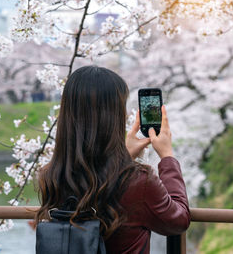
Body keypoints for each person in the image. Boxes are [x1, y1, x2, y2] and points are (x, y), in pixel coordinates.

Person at [35, 66, 190, 254]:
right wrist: (167, 157)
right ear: (114, 115)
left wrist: (124, 154)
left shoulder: (52, 176)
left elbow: (96, 181)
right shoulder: (138, 181)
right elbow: (178, 221)